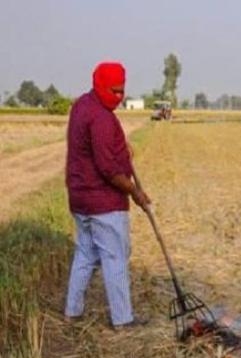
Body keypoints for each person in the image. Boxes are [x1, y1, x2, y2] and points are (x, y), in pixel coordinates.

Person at [64, 62, 151, 329]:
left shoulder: (83, 105)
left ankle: (72, 312)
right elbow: (108, 169)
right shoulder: (101, 118)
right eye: (114, 91)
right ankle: (123, 321)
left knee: (86, 254)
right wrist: (135, 192)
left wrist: (122, 149)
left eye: (122, 91)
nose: (119, 97)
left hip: (79, 197)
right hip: (102, 202)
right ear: (100, 85)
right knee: (115, 257)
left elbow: (98, 151)